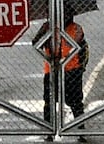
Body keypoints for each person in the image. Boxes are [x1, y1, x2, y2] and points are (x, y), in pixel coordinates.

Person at [35, 10, 88, 139]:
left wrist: (80, 67)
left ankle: (81, 130)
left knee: (75, 102)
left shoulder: (76, 28)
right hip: (52, 70)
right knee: (49, 102)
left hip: (71, 70)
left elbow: (80, 46)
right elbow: (36, 42)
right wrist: (47, 35)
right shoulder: (47, 27)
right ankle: (49, 131)